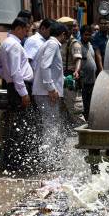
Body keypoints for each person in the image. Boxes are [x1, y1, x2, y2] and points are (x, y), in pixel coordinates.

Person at [0, 18, 34, 174]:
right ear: (18, 28)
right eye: (26, 30)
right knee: (20, 126)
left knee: (17, 124)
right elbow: (16, 72)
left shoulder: (6, 43)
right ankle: (16, 163)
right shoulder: (14, 45)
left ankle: (13, 162)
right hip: (19, 88)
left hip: (14, 86)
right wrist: (23, 92)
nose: (26, 34)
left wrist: (7, 77)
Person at [32, 22, 69, 170]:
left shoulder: (46, 44)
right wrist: (51, 88)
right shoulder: (53, 45)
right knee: (51, 127)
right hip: (46, 93)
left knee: (49, 126)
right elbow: (44, 66)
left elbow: (43, 67)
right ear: (63, 35)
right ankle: (48, 162)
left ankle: (47, 160)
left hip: (43, 92)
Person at [73, 25, 97, 121]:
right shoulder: (78, 45)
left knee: (91, 102)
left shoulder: (90, 45)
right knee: (84, 103)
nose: (88, 36)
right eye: (86, 35)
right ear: (82, 34)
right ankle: (86, 121)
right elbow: (77, 61)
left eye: (89, 35)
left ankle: (89, 120)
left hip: (92, 79)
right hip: (83, 80)